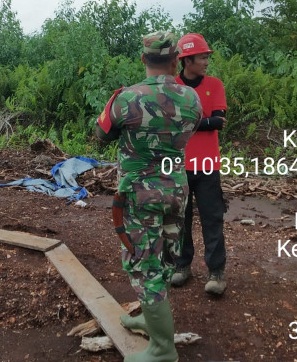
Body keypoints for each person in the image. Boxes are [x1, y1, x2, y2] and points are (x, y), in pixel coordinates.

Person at [96, 31, 202, 362]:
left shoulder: (126, 98)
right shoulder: (192, 99)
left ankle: (162, 349)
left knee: (144, 263)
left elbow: (100, 136)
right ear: (175, 61)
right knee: (167, 257)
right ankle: (147, 316)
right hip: (176, 191)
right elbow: (188, 131)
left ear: (143, 60)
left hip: (138, 195)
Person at [170, 32, 229, 296]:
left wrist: (187, 125)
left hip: (207, 166)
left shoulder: (214, 85)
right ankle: (182, 266)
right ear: (187, 60)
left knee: (212, 218)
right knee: (180, 219)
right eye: (202, 56)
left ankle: (216, 272)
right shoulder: (171, 86)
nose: (206, 60)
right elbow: (169, 125)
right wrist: (202, 123)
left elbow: (219, 121)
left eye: (206, 56)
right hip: (179, 165)